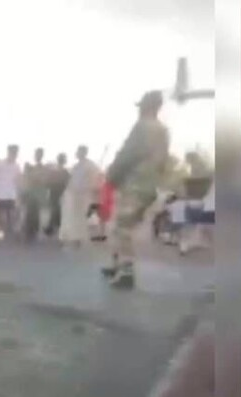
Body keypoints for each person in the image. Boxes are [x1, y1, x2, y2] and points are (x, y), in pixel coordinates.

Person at [102, 90, 170, 289]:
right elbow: (162, 162)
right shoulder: (163, 131)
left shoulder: (142, 126)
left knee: (121, 227)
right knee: (123, 225)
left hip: (135, 183)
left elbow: (128, 154)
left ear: (146, 106)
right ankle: (116, 266)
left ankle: (125, 270)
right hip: (150, 185)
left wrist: (112, 175)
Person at [60, 145, 102, 247]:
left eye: (79, 151)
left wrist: (91, 189)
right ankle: (74, 237)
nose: (77, 153)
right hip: (73, 195)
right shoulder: (76, 166)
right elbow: (71, 180)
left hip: (84, 195)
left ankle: (80, 238)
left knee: (83, 217)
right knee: (73, 217)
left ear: (83, 152)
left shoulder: (90, 165)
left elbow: (96, 179)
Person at [0, 145, 23, 240]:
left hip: (10, 196)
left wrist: (19, 195)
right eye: (13, 152)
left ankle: (7, 232)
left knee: (12, 216)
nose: (14, 155)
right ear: (8, 152)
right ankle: (1, 232)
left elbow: (18, 181)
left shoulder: (16, 166)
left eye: (16, 153)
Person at [20, 148, 47, 241]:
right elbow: (26, 179)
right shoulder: (31, 167)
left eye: (39, 154)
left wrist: (33, 176)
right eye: (36, 154)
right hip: (30, 193)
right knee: (28, 213)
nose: (37, 156)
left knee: (35, 214)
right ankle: (28, 233)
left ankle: (33, 232)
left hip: (37, 194)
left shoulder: (43, 168)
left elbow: (43, 180)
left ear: (41, 156)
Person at [45, 152, 71, 237]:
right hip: (57, 192)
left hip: (56, 192)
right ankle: (54, 228)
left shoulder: (57, 171)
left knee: (55, 210)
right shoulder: (64, 172)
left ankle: (52, 228)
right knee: (56, 210)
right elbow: (67, 183)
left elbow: (48, 183)